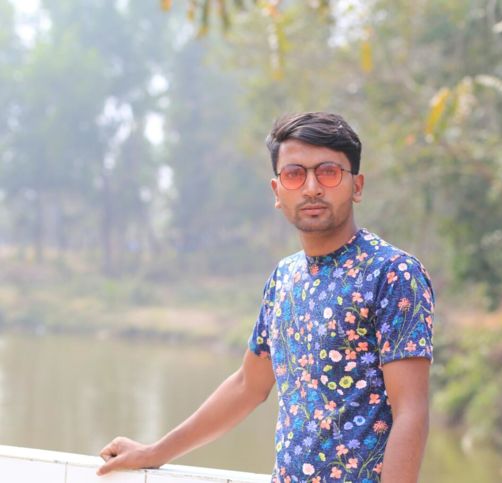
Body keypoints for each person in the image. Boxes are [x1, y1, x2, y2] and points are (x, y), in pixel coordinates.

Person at [97, 112, 435, 483]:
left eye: (328, 172)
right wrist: (154, 452)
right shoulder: (284, 278)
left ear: (357, 186)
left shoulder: (392, 273)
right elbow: (248, 385)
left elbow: (411, 410)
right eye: (294, 174)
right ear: (277, 191)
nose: (311, 188)